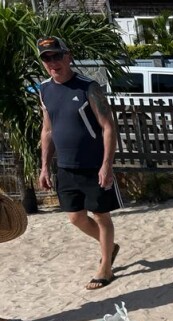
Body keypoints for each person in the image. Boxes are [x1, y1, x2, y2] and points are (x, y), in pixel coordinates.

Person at [37, 36, 122, 290]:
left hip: (93, 165)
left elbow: (108, 127)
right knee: (75, 218)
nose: (53, 63)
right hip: (65, 167)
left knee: (101, 215)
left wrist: (106, 164)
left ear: (68, 56)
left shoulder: (88, 87)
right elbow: (47, 130)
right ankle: (109, 246)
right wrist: (44, 166)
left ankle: (105, 266)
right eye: (47, 58)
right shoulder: (44, 89)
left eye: (56, 56)